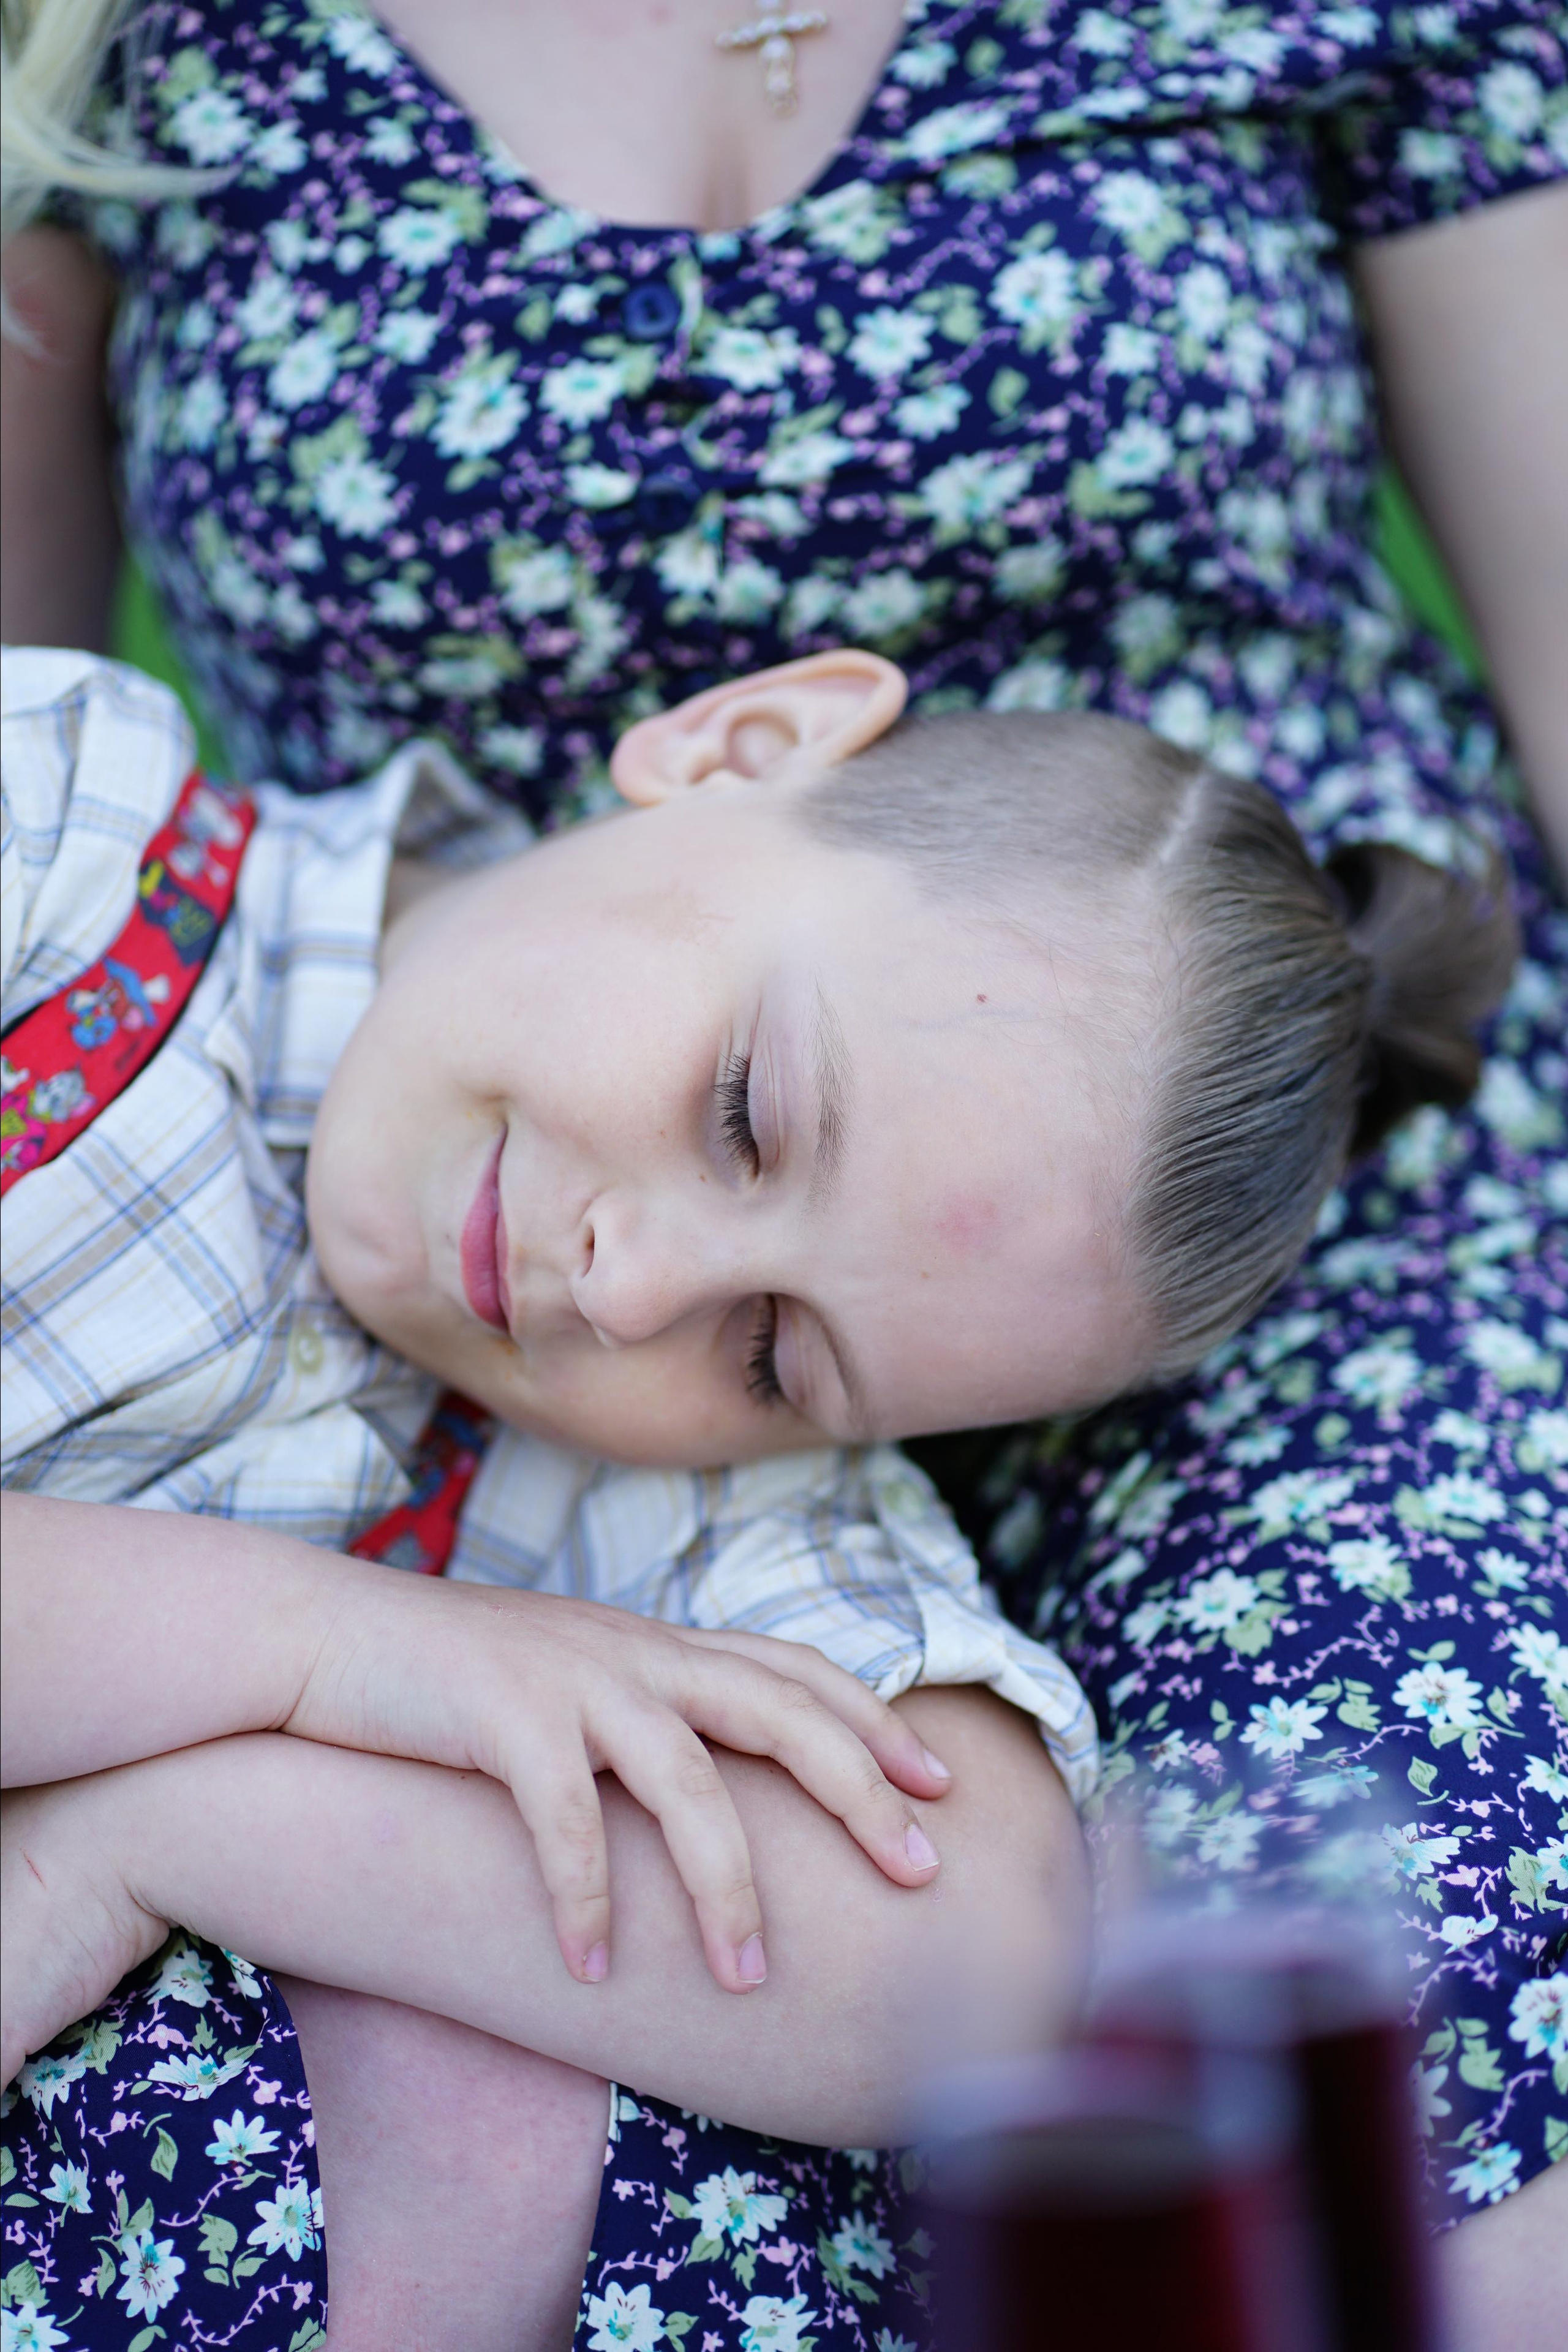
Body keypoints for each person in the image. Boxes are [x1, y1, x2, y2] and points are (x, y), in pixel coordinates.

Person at [2, 0, 1564, 2341]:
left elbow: (974, 1935)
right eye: (746, 1108)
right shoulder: (65, 852)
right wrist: (330, 1656)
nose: (633, 1293)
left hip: (1370, 1268)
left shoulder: (653, 1497)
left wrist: (166, 1812)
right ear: (737, 742)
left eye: (773, 1353)